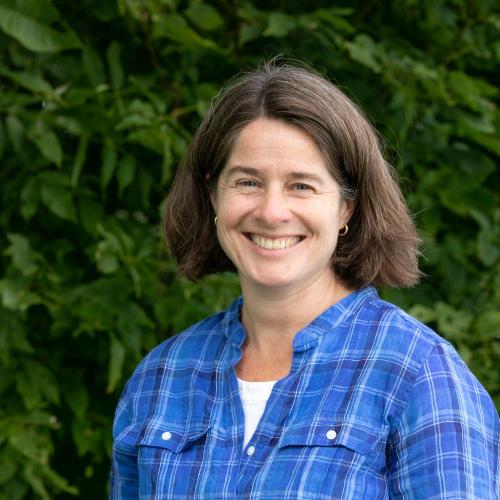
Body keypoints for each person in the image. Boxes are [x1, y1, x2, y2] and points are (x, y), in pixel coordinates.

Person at [110, 60, 499, 499]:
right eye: (248, 182)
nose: (272, 211)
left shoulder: (417, 374)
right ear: (212, 194)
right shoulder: (162, 378)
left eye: (301, 186)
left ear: (347, 208)